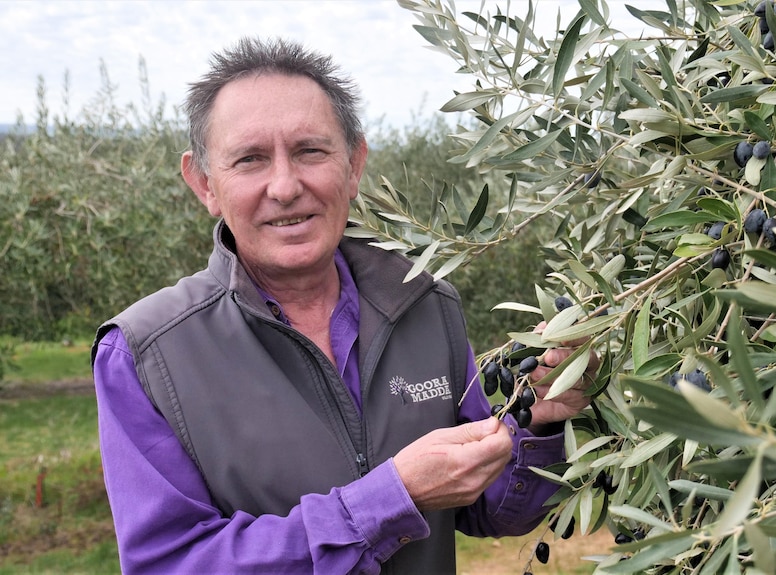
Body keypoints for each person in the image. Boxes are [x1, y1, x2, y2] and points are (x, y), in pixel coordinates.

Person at [91, 37, 594, 575]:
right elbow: (167, 564)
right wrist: (388, 501)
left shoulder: (426, 304)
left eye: (311, 151)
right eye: (249, 159)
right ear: (204, 183)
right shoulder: (143, 354)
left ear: (354, 166)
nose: (285, 187)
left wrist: (539, 424)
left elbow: (487, 507)